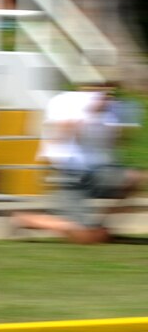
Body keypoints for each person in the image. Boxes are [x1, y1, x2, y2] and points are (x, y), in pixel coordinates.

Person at [11, 79, 143, 244]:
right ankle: (24, 219)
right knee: (86, 238)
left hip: (97, 172)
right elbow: (59, 138)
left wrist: (118, 126)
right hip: (67, 175)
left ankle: (100, 227)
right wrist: (87, 114)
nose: (106, 93)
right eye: (101, 88)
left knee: (134, 178)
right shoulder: (64, 101)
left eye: (109, 88)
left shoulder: (112, 107)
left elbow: (116, 143)